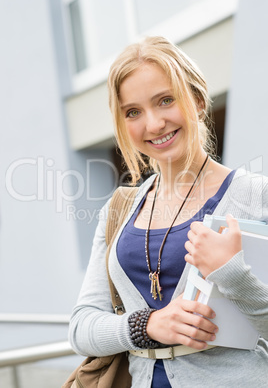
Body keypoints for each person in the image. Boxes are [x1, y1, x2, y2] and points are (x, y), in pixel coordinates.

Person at [69, 36, 268, 387]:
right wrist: (147, 325)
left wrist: (233, 275)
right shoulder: (118, 210)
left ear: (198, 99)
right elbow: (82, 327)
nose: (154, 124)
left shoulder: (255, 196)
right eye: (133, 112)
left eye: (165, 101)